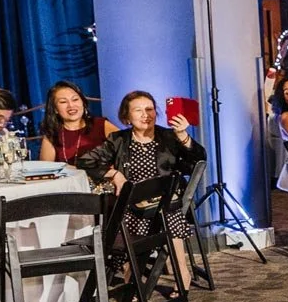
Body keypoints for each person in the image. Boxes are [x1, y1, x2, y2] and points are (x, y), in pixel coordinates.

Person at [79, 90, 206, 288]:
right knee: (125, 216)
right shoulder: (118, 140)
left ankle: (182, 274)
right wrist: (115, 174)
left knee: (168, 215)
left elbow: (198, 160)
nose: (145, 114)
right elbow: (86, 161)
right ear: (126, 117)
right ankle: (133, 279)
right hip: (134, 201)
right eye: (138, 110)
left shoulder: (169, 136)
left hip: (165, 200)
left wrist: (183, 135)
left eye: (150, 109)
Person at [39, 81, 116, 164]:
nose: (71, 106)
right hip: (68, 177)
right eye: (63, 102)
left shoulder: (101, 124)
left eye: (75, 99)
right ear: (55, 109)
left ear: (83, 102)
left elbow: (126, 149)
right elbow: (46, 171)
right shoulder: (52, 134)